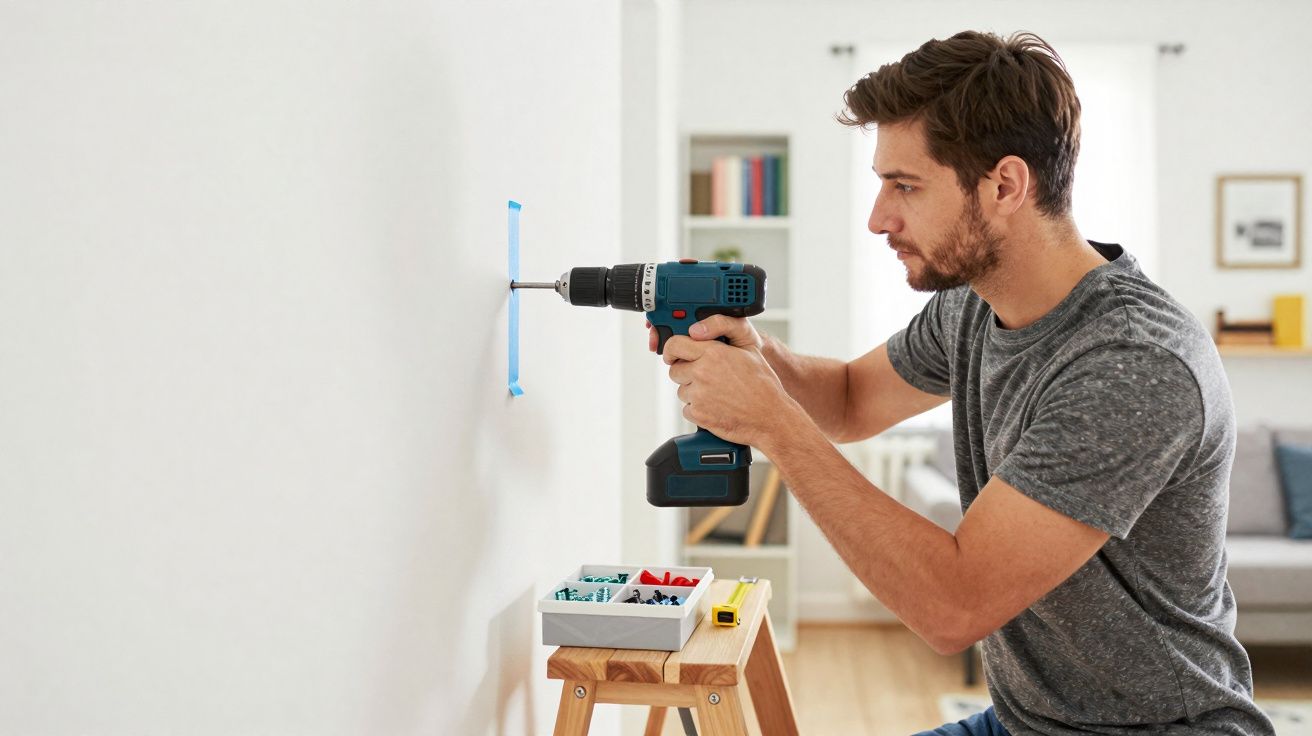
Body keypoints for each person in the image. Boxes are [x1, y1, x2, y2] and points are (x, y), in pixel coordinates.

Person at [653, 30, 1274, 736]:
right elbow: (852, 400)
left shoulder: (1133, 363)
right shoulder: (973, 304)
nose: (878, 218)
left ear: (1005, 185)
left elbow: (953, 605)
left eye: (905, 186)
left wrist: (772, 422)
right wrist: (752, 354)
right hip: (1024, 721)